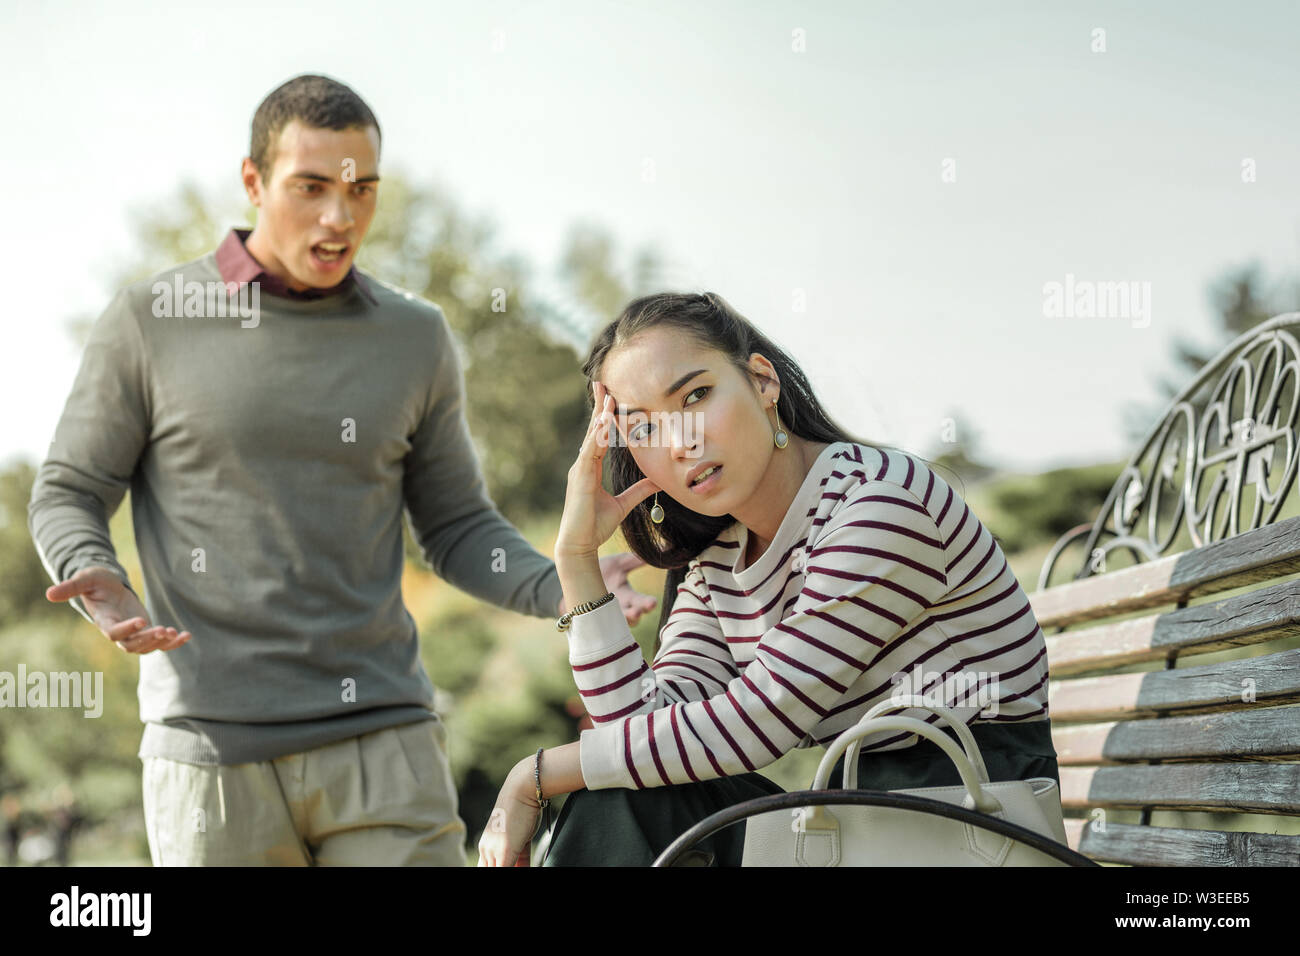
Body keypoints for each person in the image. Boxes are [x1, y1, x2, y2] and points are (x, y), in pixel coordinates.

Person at [27, 73, 655, 867]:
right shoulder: (150, 321)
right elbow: (69, 491)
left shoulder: (414, 337)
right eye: (312, 187)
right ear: (253, 182)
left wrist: (564, 582)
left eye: (362, 190)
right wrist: (94, 571)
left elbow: (456, 526)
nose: (340, 216)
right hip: (211, 758)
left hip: (385, 744)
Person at [478, 291, 1059, 867]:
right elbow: (636, 736)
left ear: (762, 382)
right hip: (865, 828)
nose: (683, 443)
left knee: (601, 790)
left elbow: (759, 722)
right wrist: (578, 559)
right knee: (616, 797)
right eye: (644, 428)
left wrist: (538, 775)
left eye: (696, 396)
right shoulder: (718, 562)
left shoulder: (878, 507)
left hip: (973, 827)